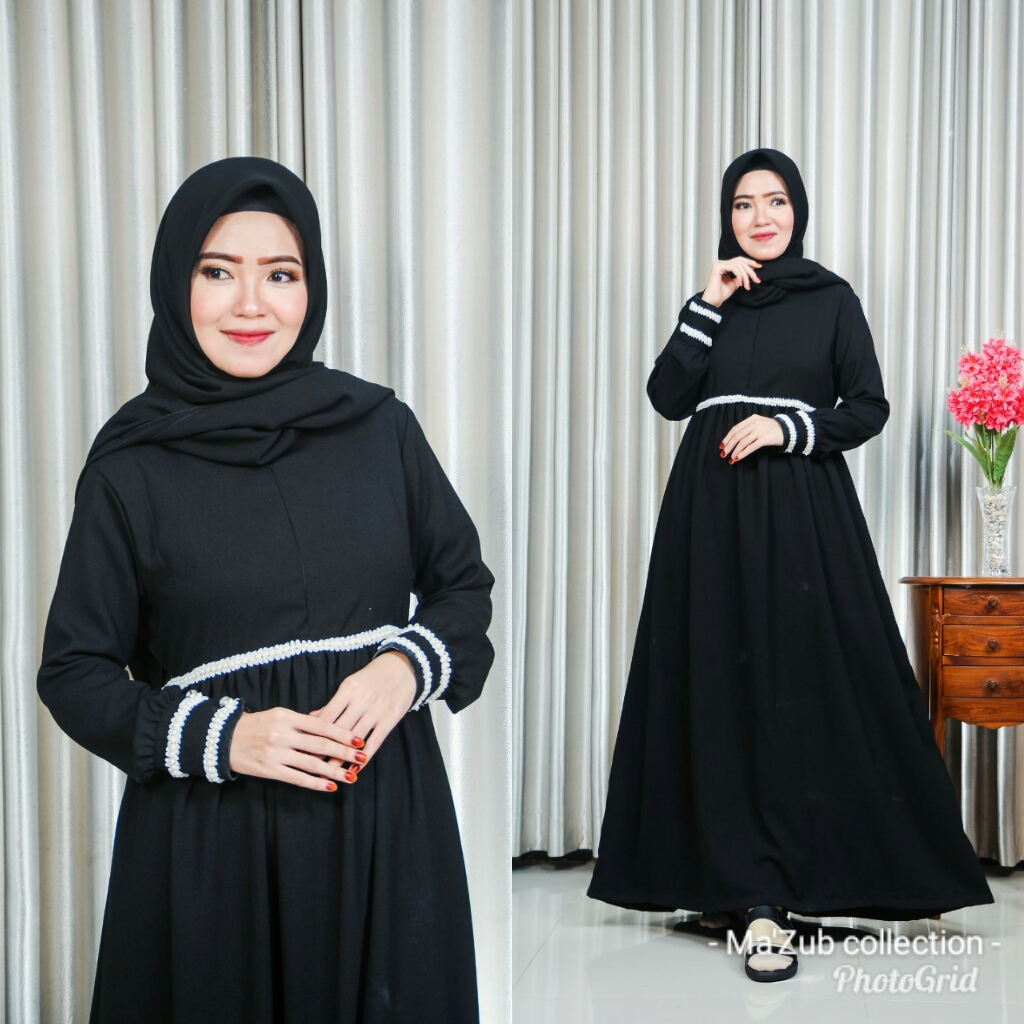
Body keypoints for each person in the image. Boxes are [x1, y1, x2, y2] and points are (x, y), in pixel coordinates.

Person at [37, 156, 494, 1023]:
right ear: (177, 284)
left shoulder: (380, 428)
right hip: (215, 847)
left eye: (280, 275)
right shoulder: (130, 467)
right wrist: (228, 737)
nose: (252, 304)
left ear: (310, 289)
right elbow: (73, 673)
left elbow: (462, 588)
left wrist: (403, 669)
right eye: (218, 272)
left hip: (385, 823)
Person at [587, 148, 993, 982]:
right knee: (716, 686)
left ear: (798, 211)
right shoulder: (714, 303)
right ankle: (735, 884)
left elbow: (869, 405)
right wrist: (706, 303)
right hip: (708, 516)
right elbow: (667, 397)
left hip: (804, 514)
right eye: (744, 204)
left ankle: (785, 883)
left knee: (798, 682)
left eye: (775, 201)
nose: (760, 217)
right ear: (726, 217)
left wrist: (786, 428)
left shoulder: (832, 299)